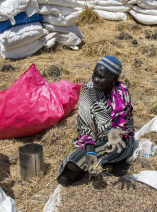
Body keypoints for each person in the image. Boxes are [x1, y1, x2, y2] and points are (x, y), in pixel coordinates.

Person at [56, 56, 135, 186]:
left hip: (118, 140)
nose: (95, 80)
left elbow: (121, 126)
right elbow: (85, 125)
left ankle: (117, 160)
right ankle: (106, 162)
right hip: (96, 138)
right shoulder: (90, 89)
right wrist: (90, 151)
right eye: (94, 74)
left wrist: (113, 133)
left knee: (116, 150)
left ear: (114, 79)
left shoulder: (121, 92)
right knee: (65, 178)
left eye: (101, 77)